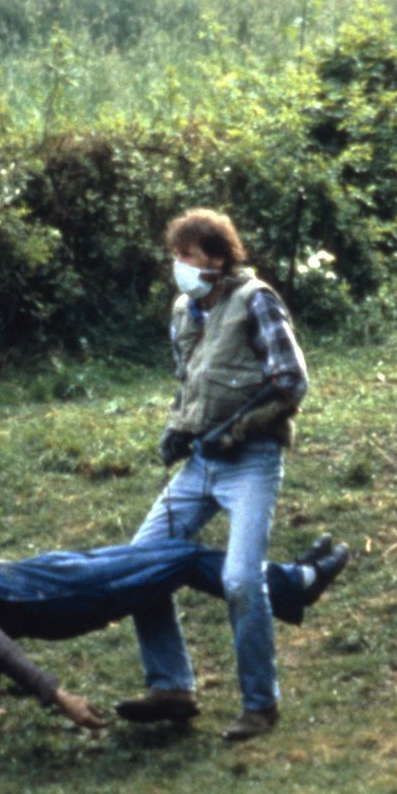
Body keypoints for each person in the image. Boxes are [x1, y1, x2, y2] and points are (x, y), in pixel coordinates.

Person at [0, 535, 351, 762]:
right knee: (181, 560)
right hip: (63, 597)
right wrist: (60, 698)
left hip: (47, 573)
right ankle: (291, 585)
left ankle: (287, 582)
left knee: (164, 557)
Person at [117, 208, 310, 742]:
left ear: (218, 259)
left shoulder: (256, 301)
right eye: (175, 255)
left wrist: (241, 428)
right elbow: (191, 383)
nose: (177, 265)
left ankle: (259, 704)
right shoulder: (184, 309)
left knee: (241, 580)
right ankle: (171, 687)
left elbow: (291, 382)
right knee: (140, 563)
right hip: (201, 462)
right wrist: (178, 429)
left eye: (188, 256)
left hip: (251, 461)